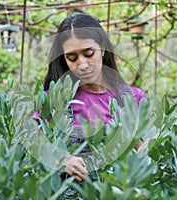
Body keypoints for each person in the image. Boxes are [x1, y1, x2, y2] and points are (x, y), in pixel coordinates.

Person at [37, 13, 147, 182]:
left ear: (102, 49)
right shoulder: (53, 100)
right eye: (72, 58)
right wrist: (62, 160)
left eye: (88, 53)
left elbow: (147, 156)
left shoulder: (134, 98)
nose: (82, 64)